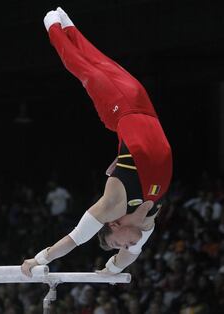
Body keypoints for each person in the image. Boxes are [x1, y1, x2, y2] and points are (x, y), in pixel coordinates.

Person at [21, 7, 172, 276]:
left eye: (117, 243)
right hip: (144, 106)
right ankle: (67, 24)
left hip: (121, 107)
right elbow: (129, 257)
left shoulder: (113, 204)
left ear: (113, 224)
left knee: (80, 67)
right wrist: (111, 269)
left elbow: (76, 237)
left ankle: (52, 24)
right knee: (101, 61)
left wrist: (40, 259)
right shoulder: (147, 222)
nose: (126, 245)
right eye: (120, 247)